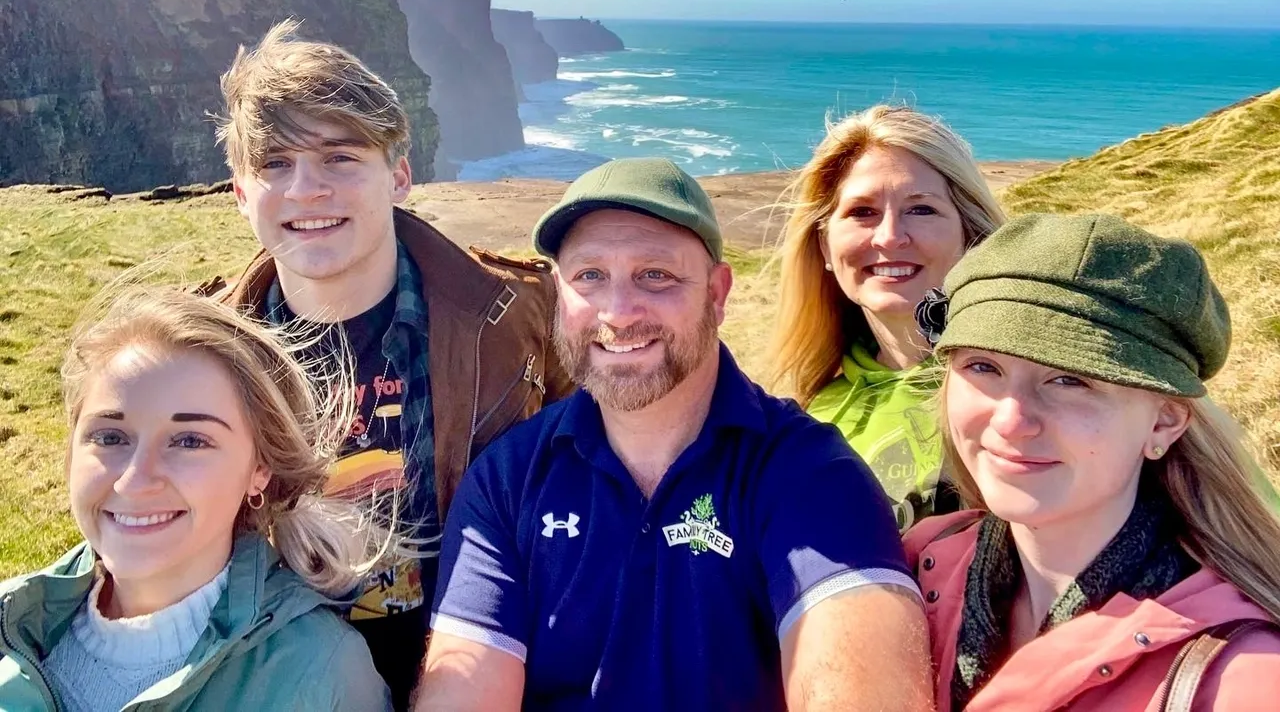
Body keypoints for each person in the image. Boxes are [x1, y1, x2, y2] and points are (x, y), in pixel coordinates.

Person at [416, 157, 933, 712]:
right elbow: (464, 687)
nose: (617, 312)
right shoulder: (508, 479)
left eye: (655, 275)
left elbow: (857, 675)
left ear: (717, 292)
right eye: (589, 275)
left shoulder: (807, 473)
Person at [200, 19, 574, 708]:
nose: (308, 189)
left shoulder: (514, 312)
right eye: (276, 164)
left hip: (478, 669)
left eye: (340, 158)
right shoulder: (206, 352)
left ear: (399, 176)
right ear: (241, 194)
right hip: (287, 682)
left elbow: (585, 456)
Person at [904, 213, 1280, 711]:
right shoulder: (917, 562)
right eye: (983, 366)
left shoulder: (1243, 681)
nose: (1012, 420)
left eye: (1069, 380)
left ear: (1164, 423)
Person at [0, 287, 392, 711]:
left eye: (189, 441)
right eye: (110, 436)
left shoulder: (321, 675)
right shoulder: (12, 628)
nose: (134, 480)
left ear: (259, 469)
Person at [767, 105, 1005, 529]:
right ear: (824, 247)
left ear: (970, 235)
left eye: (922, 209)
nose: (890, 236)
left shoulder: (1012, 396)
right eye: (862, 212)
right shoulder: (807, 413)